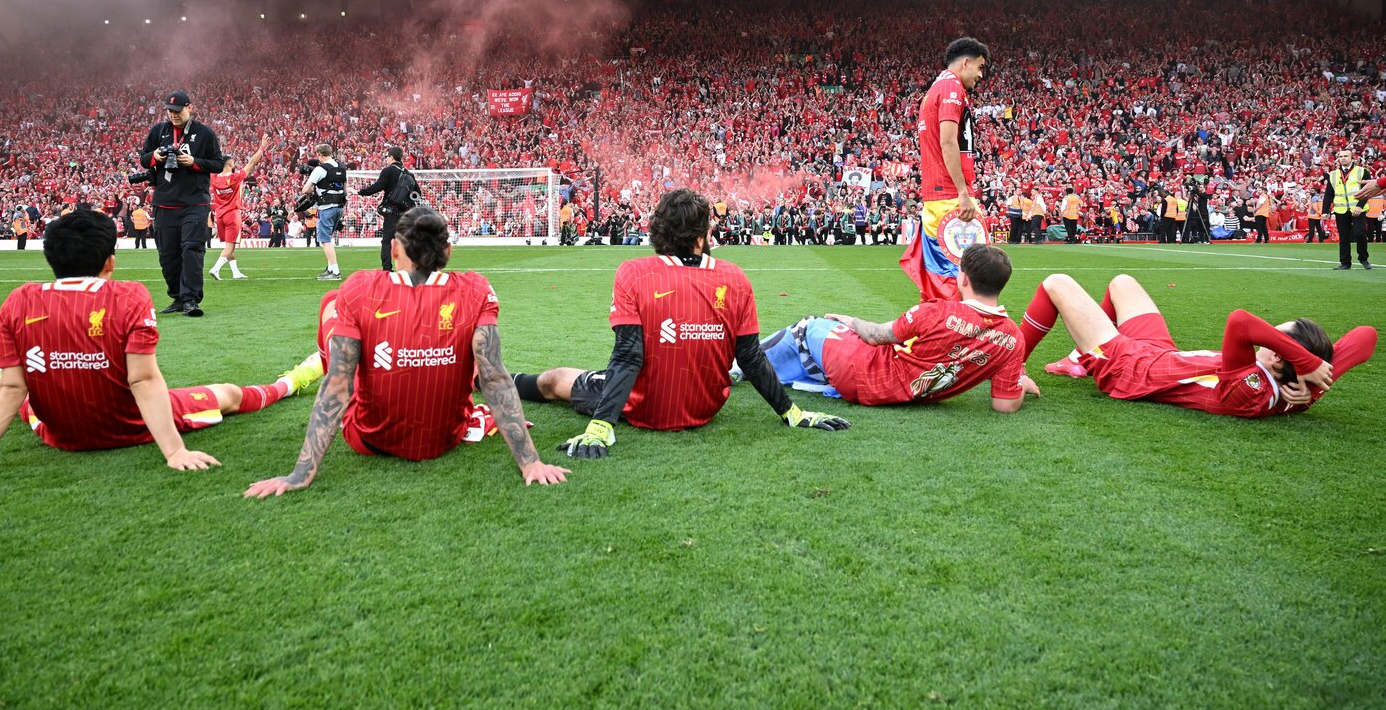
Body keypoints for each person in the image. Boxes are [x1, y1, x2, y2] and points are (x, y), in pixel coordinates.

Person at [0, 210, 324, 484]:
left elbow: (13, 391)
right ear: (110, 262)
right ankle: (293, 381)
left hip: (58, 434)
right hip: (128, 427)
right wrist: (174, 450)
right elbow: (141, 378)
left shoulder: (18, 300)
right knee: (229, 394)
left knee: (18, 393)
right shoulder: (128, 296)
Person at [244, 207, 569, 497]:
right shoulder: (476, 289)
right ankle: (473, 413)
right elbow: (495, 378)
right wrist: (531, 463)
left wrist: (300, 474)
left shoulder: (359, 287)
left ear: (394, 248)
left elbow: (337, 385)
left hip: (370, 439)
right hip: (446, 438)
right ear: (448, 252)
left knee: (331, 302)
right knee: (469, 348)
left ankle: (311, 370)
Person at [511, 188, 850, 459]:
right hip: (705, 407)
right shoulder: (735, 277)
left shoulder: (634, 272)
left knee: (556, 380)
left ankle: (491, 379)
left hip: (646, 406)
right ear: (701, 238)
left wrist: (601, 425)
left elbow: (629, 355)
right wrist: (792, 412)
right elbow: (749, 357)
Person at [1018, 273, 1376, 418]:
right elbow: (1365, 336)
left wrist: (1302, 360)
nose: (1272, 333)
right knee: (1122, 282)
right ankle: (1080, 358)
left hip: (1130, 369)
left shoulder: (1250, 390)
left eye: (1277, 334)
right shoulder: (1300, 386)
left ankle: (1012, 366)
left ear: (1279, 352)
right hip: (1161, 355)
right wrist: (1315, 380)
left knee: (1057, 282)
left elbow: (1241, 322)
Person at [757, 243, 1037, 411]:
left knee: (808, 327)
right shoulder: (1013, 338)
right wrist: (1019, 385)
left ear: (963, 278)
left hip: (867, 375)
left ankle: (738, 364)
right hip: (909, 395)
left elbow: (877, 335)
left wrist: (850, 320)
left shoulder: (936, 311)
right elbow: (1004, 405)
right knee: (824, 345)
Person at [901, 37, 991, 301]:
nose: (980, 74)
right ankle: (958, 335)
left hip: (937, 195)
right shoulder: (952, 88)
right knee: (966, 277)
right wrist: (963, 193)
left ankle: (937, 331)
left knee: (941, 278)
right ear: (965, 63)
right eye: (980, 67)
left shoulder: (934, 90)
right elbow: (948, 141)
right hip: (951, 196)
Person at [138, 89, 224, 317]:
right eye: (170, 111)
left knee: (191, 250)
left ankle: (191, 299)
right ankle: (177, 297)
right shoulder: (158, 131)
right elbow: (144, 159)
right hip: (165, 202)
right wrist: (156, 156)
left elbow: (217, 164)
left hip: (194, 202)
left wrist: (194, 162)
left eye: (177, 111)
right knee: (167, 254)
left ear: (189, 108)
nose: (174, 115)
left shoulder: (204, 133)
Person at [208, 134, 270, 281]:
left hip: (220, 215)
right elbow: (252, 163)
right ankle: (216, 269)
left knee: (231, 245)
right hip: (233, 214)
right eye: (233, 162)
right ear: (229, 164)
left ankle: (236, 272)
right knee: (229, 247)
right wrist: (262, 147)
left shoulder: (214, 178)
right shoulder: (235, 177)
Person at [357, 145, 411, 271]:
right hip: (405, 213)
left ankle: (387, 268)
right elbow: (416, 193)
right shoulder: (408, 174)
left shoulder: (388, 171)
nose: (386, 159)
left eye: (387, 157)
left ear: (391, 157)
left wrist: (360, 192)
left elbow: (377, 186)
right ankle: (406, 268)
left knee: (387, 241)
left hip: (391, 212)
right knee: (404, 241)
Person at [299, 144, 345, 281]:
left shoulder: (320, 169)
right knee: (327, 238)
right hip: (339, 206)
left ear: (319, 154)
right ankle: (330, 268)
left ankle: (335, 272)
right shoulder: (340, 167)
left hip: (326, 207)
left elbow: (305, 190)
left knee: (325, 240)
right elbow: (345, 188)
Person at [1322, 148, 1371, 270]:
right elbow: (1329, 194)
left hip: (1358, 209)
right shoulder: (1333, 175)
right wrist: (1325, 211)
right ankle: (1345, 262)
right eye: (1341, 156)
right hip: (1340, 210)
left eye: (1346, 156)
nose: (1343, 158)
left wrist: (1360, 205)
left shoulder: (1362, 171)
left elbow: (1368, 191)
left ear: (1352, 158)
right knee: (1343, 237)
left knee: (1359, 233)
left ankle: (1363, 258)